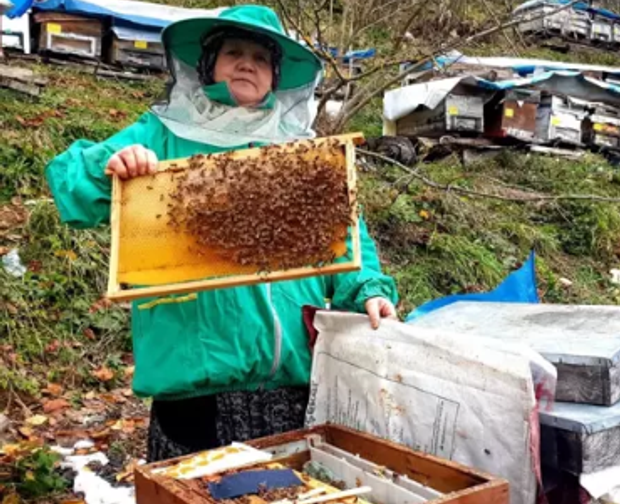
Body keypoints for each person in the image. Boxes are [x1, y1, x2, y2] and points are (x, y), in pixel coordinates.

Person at [44, 5, 399, 462]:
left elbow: (346, 237)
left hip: (292, 383)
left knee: (290, 487)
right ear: (209, 63)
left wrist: (368, 290)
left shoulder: (302, 153)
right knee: (195, 489)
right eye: (234, 53)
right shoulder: (161, 134)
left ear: (276, 76)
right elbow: (71, 184)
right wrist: (111, 166)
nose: (247, 64)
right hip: (196, 386)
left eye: (260, 57)